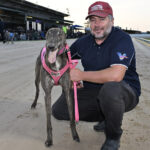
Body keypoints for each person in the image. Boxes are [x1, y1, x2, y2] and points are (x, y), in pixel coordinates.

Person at [52, 1, 141, 150]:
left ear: (112, 21)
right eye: (93, 20)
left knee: (111, 90)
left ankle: (113, 137)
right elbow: (62, 59)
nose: (97, 24)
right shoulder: (83, 42)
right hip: (95, 90)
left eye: (102, 19)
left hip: (125, 90)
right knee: (59, 110)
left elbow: (116, 75)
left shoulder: (122, 39)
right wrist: (66, 75)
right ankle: (106, 116)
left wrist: (81, 75)